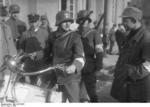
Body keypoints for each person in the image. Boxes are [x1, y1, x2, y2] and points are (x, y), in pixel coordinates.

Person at [111, 6, 150, 102]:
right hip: (125, 85)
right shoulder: (129, 35)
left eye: (125, 21)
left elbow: (148, 65)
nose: (123, 24)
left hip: (137, 88)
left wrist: (129, 71)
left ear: (134, 20)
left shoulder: (146, 38)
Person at [47, 10, 85, 102]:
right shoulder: (52, 36)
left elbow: (80, 56)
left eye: (69, 22)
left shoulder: (75, 37)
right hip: (56, 74)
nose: (68, 24)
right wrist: (34, 55)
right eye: (64, 22)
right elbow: (46, 53)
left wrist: (75, 65)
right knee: (53, 100)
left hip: (70, 76)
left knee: (74, 101)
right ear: (59, 23)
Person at [76, 10, 103, 102]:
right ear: (78, 21)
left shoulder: (94, 33)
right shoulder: (74, 33)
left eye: (85, 20)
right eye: (81, 20)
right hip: (76, 65)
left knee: (92, 93)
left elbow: (99, 51)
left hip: (89, 66)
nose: (83, 22)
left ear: (88, 21)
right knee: (76, 92)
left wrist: (98, 67)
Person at [18, 13, 49, 85]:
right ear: (28, 22)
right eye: (31, 22)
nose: (33, 24)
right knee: (29, 86)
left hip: (41, 63)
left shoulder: (45, 33)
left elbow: (48, 48)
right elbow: (21, 49)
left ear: (38, 22)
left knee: (41, 87)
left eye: (35, 22)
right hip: (29, 64)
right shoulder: (25, 34)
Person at [0, 5, 17, 96]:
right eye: (1, 16)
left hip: (7, 63)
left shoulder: (7, 28)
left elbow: (11, 44)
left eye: (4, 16)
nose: (3, 19)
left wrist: (14, 55)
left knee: (6, 86)